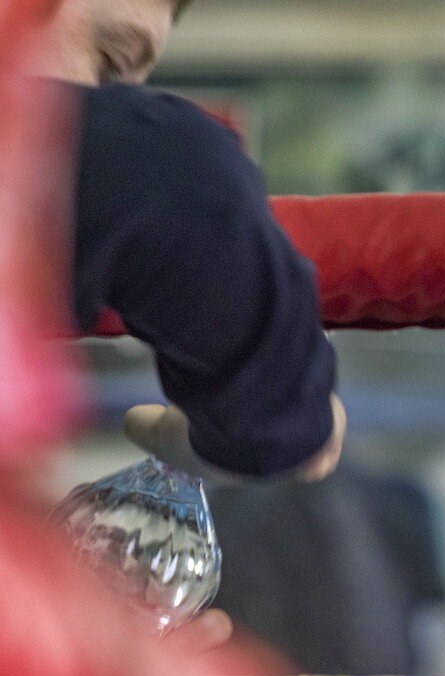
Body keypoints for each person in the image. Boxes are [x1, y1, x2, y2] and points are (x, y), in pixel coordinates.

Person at [36, 0, 345, 483]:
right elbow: (167, 169)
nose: (112, 105)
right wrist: (289, 414)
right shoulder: (139, 155)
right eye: (109, 60)